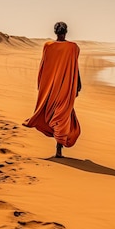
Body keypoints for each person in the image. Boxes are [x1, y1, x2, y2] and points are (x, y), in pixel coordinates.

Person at [22, 22, 82, 157]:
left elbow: (43, 67)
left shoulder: (48, 46)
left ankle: (58, 143)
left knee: (54, 113)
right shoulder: (73, 47)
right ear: (66, 31)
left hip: (50, 86)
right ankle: (59, 146)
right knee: (62, 114)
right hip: (66, 86)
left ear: (55, 32)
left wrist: (42, 84)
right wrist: (78, 83)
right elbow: (75, 67)